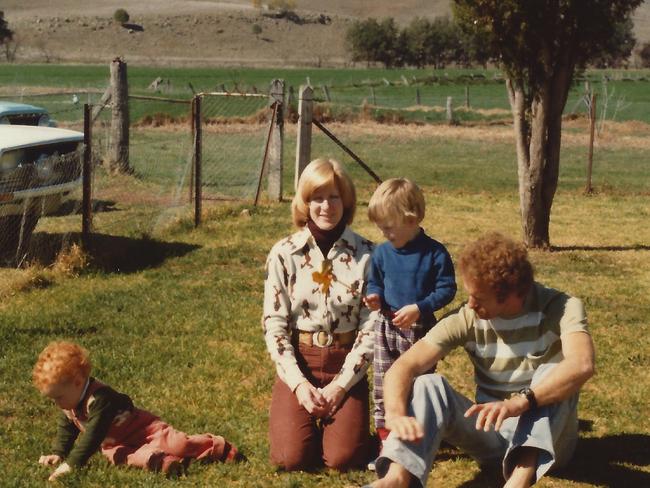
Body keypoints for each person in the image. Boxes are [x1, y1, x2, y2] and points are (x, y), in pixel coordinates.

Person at [366, 232, 596, 488]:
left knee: (555, 371)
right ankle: (397, 478)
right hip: (492, 435)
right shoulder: (467, 317)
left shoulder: (560, 306)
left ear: (512, 295)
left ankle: (519, 479)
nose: (470, 304)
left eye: (479, 298)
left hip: (550, 444)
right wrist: (397, 414)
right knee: (428, 384)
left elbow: (582, 363)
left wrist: (520, 403)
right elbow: (403, 367)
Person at [263, 158, 375, 471]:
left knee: (342, 459)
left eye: (334, 197)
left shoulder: (369, 254)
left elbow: (371, 325)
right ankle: (300, 420)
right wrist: (298, 383)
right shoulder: (284, 253)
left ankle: (347, 429)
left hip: (347, 361)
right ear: (305, 201)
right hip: (301, 361)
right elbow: (274, 325)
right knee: (290, 459)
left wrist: (342, 384)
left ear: (347, 200)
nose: (326, 206)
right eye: (317, 197)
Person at [33, 341, 241, 482]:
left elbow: (93, 435)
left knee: (178, 443)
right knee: (123, 457)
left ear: (78, 383)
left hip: (144, 430)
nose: (57, 404)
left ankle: (215, 446)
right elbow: (68, 426)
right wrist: (59, 453)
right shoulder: (69, 403)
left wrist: (71, 464)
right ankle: (162, 462)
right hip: (115, 443)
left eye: (58, 397)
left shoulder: (100, 399)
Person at [365, 178, 456, 446]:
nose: (384, 233)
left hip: (421, 331)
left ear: (412, 219)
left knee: (417, 386)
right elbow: (376, 281)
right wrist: (375, 297)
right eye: (380, 228)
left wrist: (420, 308)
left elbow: (447, 289)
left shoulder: (434, 253)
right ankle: (386, 439)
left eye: (389, 227)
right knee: (382, 384)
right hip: (386, 327)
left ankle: (418, 436)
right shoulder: (382, 253)